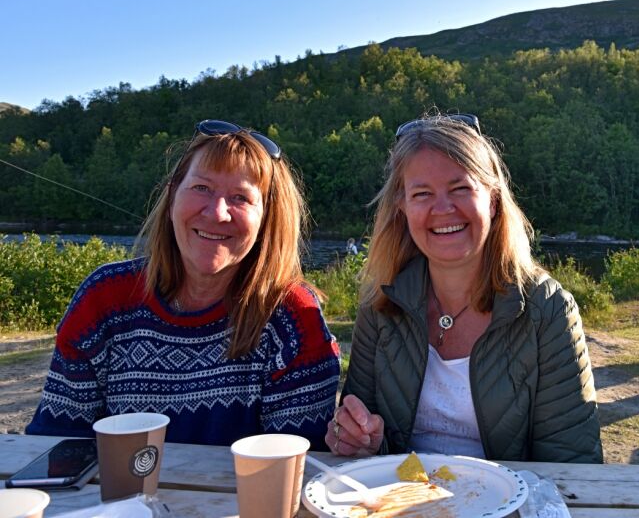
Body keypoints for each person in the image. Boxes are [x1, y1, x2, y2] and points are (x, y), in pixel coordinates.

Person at [27, 120, 342, 447]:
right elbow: (56, 445)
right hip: (115, 498)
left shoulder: (291, 316)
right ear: (171, 195)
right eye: (202, 188)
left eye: (240, 198)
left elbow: (298, 466)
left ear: (267, 219)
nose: (218, 212)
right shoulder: (104, 299)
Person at [326, 112, 602, 463]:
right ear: (403, 208)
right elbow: (362, 441)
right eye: (422, 193)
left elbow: (572, 463)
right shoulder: (380, 302)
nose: (443, 209)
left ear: (493, 198)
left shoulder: (547, 310)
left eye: (460, 188)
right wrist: (360, 441)